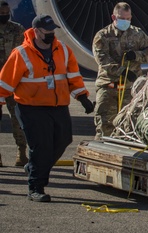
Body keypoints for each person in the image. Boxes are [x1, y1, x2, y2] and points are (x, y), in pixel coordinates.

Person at [0, 15, 94, 202]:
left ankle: (35, 167)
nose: (51, 34)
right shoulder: (21, 53)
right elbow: (5, 82)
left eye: (52, 31)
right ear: (36, 32)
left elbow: (73, 76)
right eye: (46, 31)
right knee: (40, 147)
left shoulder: (64, 51)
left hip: (58, 106)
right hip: (30, 107)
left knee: (64, 140)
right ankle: (35, 187)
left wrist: (82, 97)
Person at [91, 2, 148, 138]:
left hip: (129, 89)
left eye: (128, 19)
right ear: (114, 17)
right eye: (122, 18)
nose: (125, 21)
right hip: (109, 86)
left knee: (129, 126)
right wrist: (122, 71)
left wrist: (137, 55)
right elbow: (103, 60)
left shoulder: (137, 34)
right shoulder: (103, 36)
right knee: (105, 126)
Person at [0, 1, 28, 167]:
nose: (4, 14)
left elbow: (25, 53)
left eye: (6, 11)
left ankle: (21, 153)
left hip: (13, 82)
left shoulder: (18, 29)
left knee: (17, 118)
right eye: (1, 11)